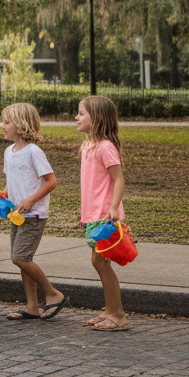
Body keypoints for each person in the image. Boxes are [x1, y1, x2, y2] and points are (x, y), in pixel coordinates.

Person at [0, 103, 67, 321]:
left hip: (34, 215)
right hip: (17, 215)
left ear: (21, 125)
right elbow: (15, 179)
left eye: (7, 122)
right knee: (21, 258)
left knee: (20, 258)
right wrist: (6, 192)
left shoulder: (34, 152)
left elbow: (51, 181)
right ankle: (31, 306)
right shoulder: (9, 152)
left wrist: (30, 200)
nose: (3, 126)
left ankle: (53, 294)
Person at [77, 95, 129, 331]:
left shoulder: (105, 147)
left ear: (95, 118)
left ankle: (118, 315)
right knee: (99, 262)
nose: (76, 117)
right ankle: (110, 311)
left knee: (100, 261)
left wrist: (113, 208)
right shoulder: (88, 145)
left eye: (81, 113)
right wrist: (84, 216)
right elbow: (91, 185)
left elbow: (118, 180)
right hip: (93, 215)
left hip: (106, 215)